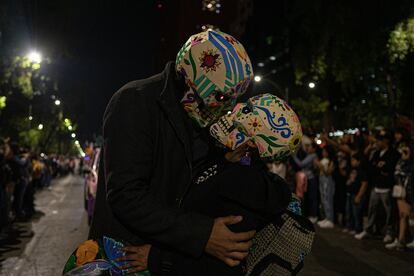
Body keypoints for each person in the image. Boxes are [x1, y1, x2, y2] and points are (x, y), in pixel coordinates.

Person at [88, 29, 255, 274]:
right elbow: (126, 194)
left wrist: (227, 162)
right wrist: (202, 234)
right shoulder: (134, 102)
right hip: (127, 260)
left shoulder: (203, 119)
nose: (223, 110)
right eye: (217, 99)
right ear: (186, 79)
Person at [355, 132, 399, 242]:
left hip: (387, 187)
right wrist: (368, 150)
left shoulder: (393, 153)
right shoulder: (376, 153)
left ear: (386, 141)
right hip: (376, 185)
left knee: (389, 212)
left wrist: (380, 168)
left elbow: (389, 169)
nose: (377, 143)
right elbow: (369, 167)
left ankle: (390, 232)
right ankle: (368, 229)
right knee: (372, 209)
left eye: (379, 140)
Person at [386, 144, 414, 250]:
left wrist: (407, 160)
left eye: (406, 151)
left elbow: (409, 174)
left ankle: (408, 239)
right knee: (402, 215)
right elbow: (396, 173)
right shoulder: (399, 162)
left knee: (409, 216)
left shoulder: (410, 164)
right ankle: (401, 240)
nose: (403, 153)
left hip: (409, 191)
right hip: (400, 190)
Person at [343, 153, 368, 236]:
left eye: (353, 160)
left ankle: (358, 229)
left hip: (356, 194)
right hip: (349, 193)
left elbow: (364, 183)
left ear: (359, 161)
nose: (352, 162)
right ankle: (350, 226)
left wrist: (359, 196)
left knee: (356, 213)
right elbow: (348, 180)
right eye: (351, 160)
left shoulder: (361, 171)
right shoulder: (351, 170)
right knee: (348, 211)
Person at [293, 142, 318, 223]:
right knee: (309, 197)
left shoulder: (312, 155)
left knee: (312, 197)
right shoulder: (309, 155)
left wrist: (293, 156)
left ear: (314, 149)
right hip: (307, 179)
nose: (308, 148)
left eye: (310, 146)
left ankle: (314, 215)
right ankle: (311, 214)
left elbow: (301, 164)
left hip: (311, 179)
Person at [315, 146, 336, 229]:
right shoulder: (322, 159)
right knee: (323, 199)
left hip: (327, 180)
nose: (323, 153)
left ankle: (330, 219)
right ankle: (326, 217)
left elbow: (328, 172)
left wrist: (321, 166)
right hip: (321, 179)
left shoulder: (332, 161)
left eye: (325, 151)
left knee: (328, 199)